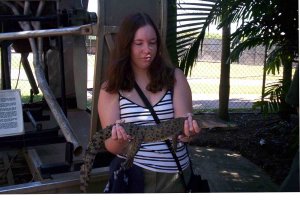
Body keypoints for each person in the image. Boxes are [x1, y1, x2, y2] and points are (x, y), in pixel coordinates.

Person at [98, 12, 201, 193]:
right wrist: (119, 140)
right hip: (136, 176)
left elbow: (184, 132)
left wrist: (189, 132)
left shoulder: (175, 78)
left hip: (176, 176)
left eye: (152, 43)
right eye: (139, 43)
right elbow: (111, 146)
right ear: (126, 46)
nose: (147, 50)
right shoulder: (110, 89)